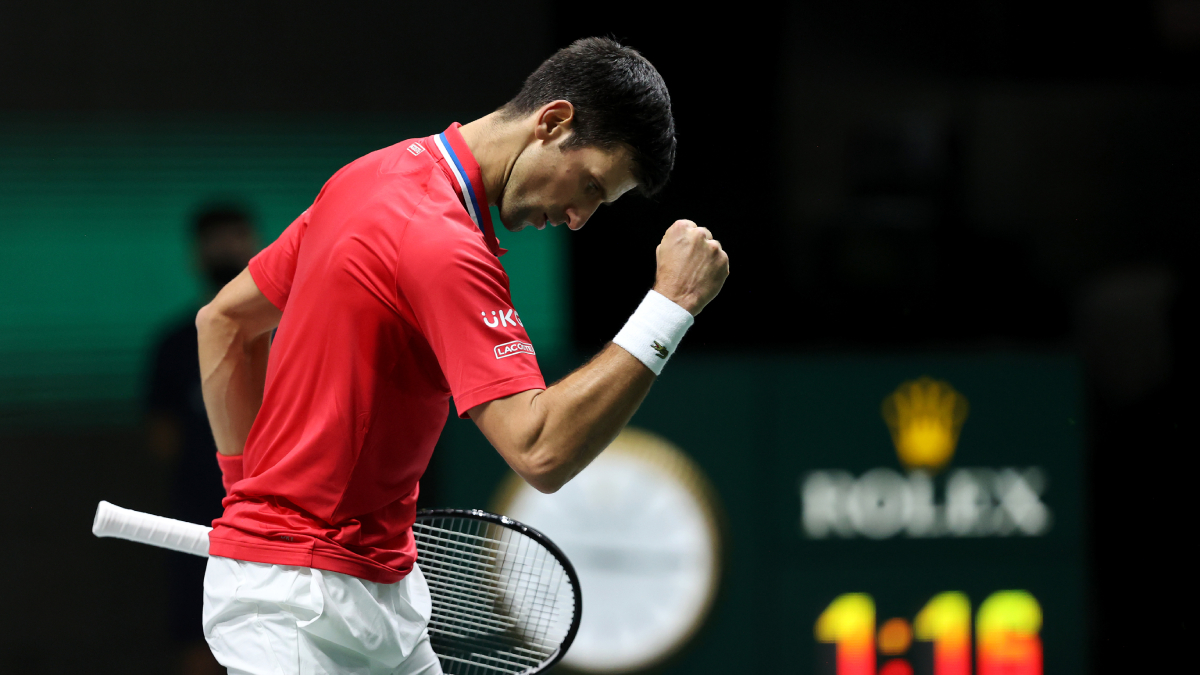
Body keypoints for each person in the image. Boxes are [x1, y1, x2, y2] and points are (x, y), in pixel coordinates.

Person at [196, 37, 729, 675]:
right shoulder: (439, 241)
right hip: (297, 608)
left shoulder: (371, 175)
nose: (579, 216)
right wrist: (670, 307)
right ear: (553, 122)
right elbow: (541, 449)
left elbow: (224, 323)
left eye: (597, 203)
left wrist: (246, 493)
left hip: (379, 587)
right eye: (587, 185)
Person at [145, 205, 259, 675]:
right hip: (200, 521)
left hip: (276, 523)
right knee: (199, 640)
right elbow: (163, 437)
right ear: (196, 254)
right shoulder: (173, 345)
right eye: (213, 239)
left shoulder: (286, 334)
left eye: (234, 236)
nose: (224, 249)